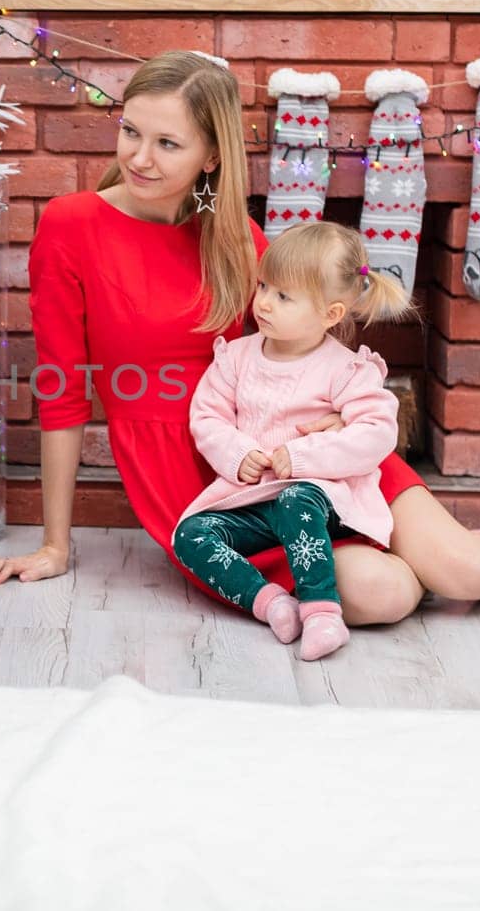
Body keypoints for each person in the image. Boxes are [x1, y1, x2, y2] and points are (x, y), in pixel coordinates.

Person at [0, 50, 480, 623]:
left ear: (212, 156)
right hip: (213, 484)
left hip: (315, 452)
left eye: (168, 143)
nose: (139, 157)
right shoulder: (71, 225)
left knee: (463, 573)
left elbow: (310, 348)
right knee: (389, 594)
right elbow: (62, 393)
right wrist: (55, 542)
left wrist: (335, 415)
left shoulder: (239, 241)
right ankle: (417, 557)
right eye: (131, 131)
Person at [172, 222, 412, 661]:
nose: (263, 302)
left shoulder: (344, 370)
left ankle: (322, 612)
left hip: (320, 502)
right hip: (253, 502)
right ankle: (272, 604)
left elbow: (377, 432)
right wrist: (237, 452)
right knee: (190, 535)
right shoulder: (237, 358)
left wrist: (302, 456)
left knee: (296, 500)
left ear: (330, 314)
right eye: (263, 286)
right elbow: (207, 415)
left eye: (283, 296)